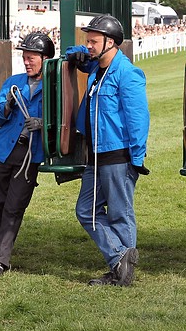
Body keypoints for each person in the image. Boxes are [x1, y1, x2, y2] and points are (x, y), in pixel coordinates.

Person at [64, 14, 149, 287]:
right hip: (94, 155)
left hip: (118, 155)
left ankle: (121, 274)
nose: (88, 45)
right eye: (87, 41)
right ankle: (118, 260)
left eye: (93, 41)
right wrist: (79, 53)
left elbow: (138, 119)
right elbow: (71, 53)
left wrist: (136, 158)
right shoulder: (94, 68)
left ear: (110, 42)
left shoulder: (128, 73)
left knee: (119, 214)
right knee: (85, 210)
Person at [0, 31, 54, 278]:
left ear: (45, 58)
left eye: (32, 57)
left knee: (13, 208)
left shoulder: (54, 87)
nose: (27, 61)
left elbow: (62, 119)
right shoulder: (14, 82)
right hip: (2, 152)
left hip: (29, 156)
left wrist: (44, 123)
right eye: (25, 56)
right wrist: (7, 105)